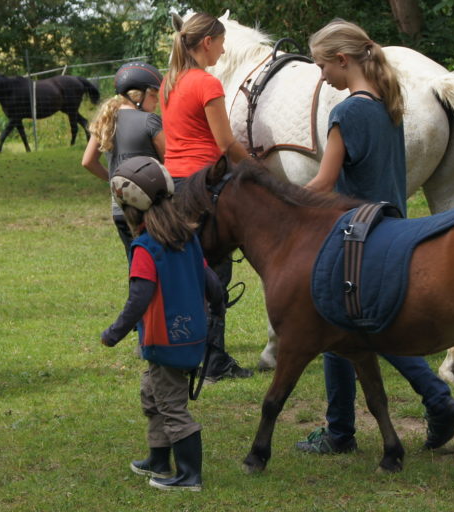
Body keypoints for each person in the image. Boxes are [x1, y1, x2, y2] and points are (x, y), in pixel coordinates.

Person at [295, 19, 454, 455]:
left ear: (342, 59)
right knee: (342, 331)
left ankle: (435, 398)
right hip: (393, 229)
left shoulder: (347, 112)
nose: (321, 76)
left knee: (352, 333)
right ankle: (340, 429)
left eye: (321, 66)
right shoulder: (389, 104)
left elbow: (324, 183)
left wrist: (279, 197)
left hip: (356, 238)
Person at [100, 156, 225, 492]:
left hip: (163, 341)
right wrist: (215, 307)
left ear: (132, 211)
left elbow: (139, 299)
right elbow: (212, 283)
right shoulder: (187, 238)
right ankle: (158, 460)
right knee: (152, 393)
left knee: (172, 407)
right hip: (190, 337)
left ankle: (189, 476)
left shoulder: (144, 248)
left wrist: (113, 333)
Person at [159, 11, 252, 382]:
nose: (225, 49)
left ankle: (184, 353)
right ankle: (215, 362)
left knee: (188, 271)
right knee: (216, 271)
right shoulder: (206, 83)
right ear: (207, 43)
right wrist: (256, 168)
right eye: (222, 41)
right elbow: (226, 142)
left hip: (175, 186)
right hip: (206, 185)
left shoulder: (170, 82)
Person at [82, 62, 166, 260]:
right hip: (150, 208)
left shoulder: (105, 121)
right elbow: (169, 159)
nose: (156, 102)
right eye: (153, 96)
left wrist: (114, 179)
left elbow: (87, 161)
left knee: (136, 264)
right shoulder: (150, 121)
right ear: (137, 95)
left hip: (119, 208)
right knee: (157, 264)